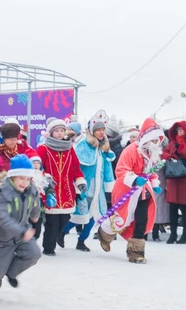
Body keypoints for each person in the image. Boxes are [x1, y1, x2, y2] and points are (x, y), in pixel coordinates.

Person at [97, 118, 164, 263]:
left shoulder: (151, 154)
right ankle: (105, 234)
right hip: (127, 190)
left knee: (141, 220)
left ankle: (136, 252)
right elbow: (121, 169)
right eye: (152, 139)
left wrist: (154, 183)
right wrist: (134, 179)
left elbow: (151, 172)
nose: (155, 143)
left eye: (157, 140)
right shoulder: (131, 150)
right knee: (122, 218)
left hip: (143, 193)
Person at [0, 155, 42, 302]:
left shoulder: (31, 189)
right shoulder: (3, 192)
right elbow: (3, 218)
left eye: (28, 179)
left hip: (23, 230)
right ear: (13, 177)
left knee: (33, 254)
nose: (25, 182)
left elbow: (35, 203)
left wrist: (36, 217)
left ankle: (11, 272)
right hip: (3, 235)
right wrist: (23, 232)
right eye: (21, 178)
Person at [36, 118, 85, 256]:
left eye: (62, 130)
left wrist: (80, 181)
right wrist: (46, 176)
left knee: (64, 218)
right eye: (57, 131)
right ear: (51, 133)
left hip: (67, 191)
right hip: (51, 191)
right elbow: (37, 167)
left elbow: (76, 167)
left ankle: (56, 237)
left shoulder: (69, 149)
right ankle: (48, 247)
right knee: (52, 222)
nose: (59, 133)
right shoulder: (43, 148)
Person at [69, 111, 115, 251]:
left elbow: (107, 168)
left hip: (98, 188)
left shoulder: (104, 147)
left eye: (103, 130)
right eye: (98, 130)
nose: (101, 133)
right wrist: (77, 184)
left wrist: (109, 184)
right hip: (85, 186)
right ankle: (63, 232)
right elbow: (77, 165)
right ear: (92, 131)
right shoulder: (84, 144)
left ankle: (81, 241)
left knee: (94, 216)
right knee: (80, 215)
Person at [161, 121, 186, 245]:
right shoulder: (173, 143)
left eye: (182, 129)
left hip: (185, 180)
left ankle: (185, 234)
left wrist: (182, 148)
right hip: (173, 179)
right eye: (178, 129)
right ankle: (173, 234)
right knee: (172, 209)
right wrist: (169, 157)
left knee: (184, 209)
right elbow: (164, 154)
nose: (179, 132)